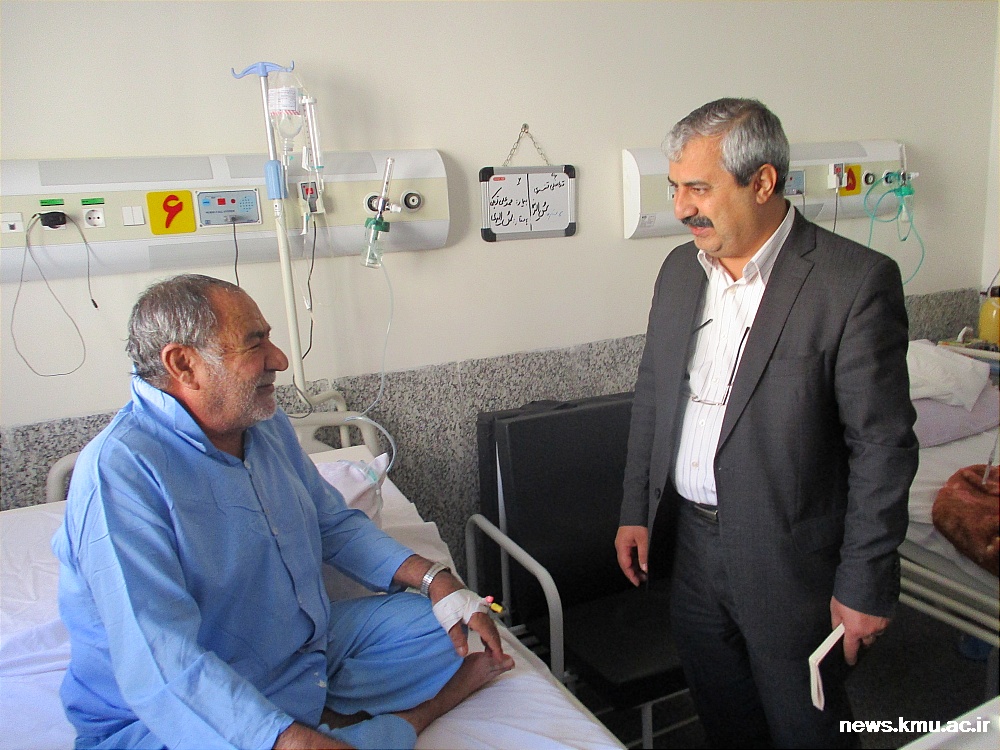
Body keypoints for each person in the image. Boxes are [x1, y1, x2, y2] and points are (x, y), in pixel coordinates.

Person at [52, 274, 514, 750]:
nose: (280, 359)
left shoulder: (264, 424)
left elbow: (332, 525)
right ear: (184, 364)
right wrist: (291, 743)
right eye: (255, 344)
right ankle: (403, 719)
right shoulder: (120, 474)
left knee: (454, 626)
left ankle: (318, 716)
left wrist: (435, 579)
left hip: (296, 653)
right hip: (168, 709)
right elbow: (161, 662)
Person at [615, 99, 918, 748]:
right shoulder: (679, 272)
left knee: (806, 727)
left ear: (762, 182)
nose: (681, 208)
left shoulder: (851, 283)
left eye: (699, 188)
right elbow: (654, 395)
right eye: (674, 188)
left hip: (791, 561)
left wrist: (865, 580)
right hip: (693, 549)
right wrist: (636, 508)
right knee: (726, 722)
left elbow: (882, 446)